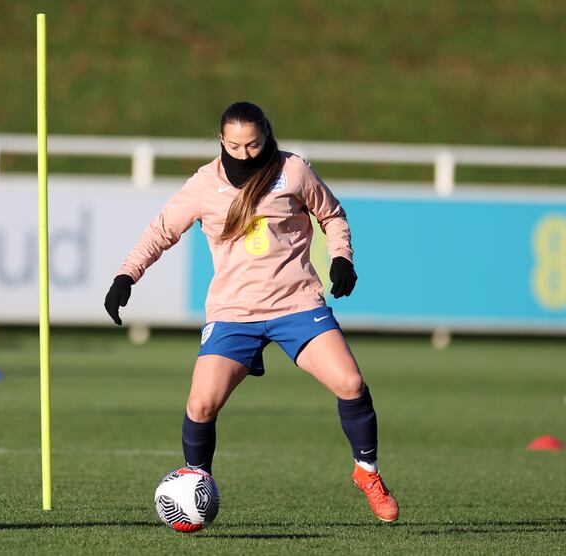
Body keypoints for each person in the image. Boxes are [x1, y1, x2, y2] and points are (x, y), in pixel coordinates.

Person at [104, 101, 399, 523]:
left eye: (254, 144)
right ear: (221, 140)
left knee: (351, 383)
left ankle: (367, 473)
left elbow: (332, 216)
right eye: (235, 146)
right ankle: (196, 483)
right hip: (232, 313)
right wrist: (126, 277)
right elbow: (161, 231)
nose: (245, 154)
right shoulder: (204, 184)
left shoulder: (293, 170)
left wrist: (342, 257)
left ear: (267, 136)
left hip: (296, 305)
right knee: (201, 405)